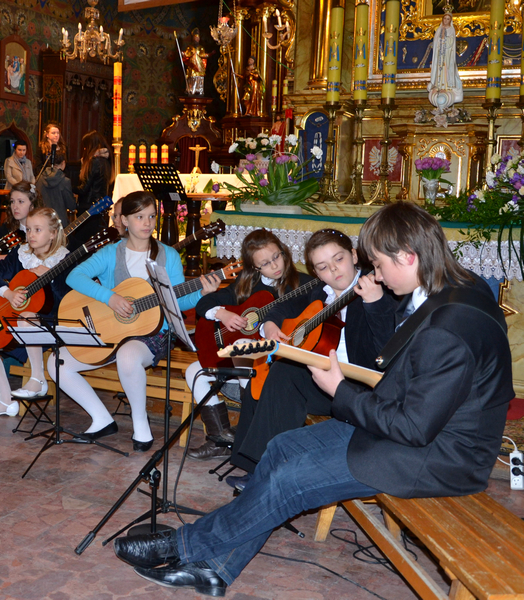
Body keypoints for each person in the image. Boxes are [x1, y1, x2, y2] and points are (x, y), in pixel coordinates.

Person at [113, 202, 513, 597]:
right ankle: (217, 568)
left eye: (378, 264)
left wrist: (339, 391)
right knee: (282, 447)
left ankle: (184, 546)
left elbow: (413, 427)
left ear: (407, 257)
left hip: (436, 456)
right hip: (403, 426)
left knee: (290, 481)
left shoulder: (452, 324)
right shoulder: (449, 286)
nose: (376, 274)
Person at [47, 191, 221, 451]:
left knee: (128, 355)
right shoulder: (110, 253)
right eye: (139, 216)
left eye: (151, 216)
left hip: (153, 334)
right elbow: (74, 276)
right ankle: (102, 419)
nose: (147, 222)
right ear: (125, 220)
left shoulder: (168, 255)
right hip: (110, 330)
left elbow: (177, 301)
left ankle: (141, 425)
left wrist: (200, 293)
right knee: (57, 362)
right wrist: (109, 298)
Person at [225, 228, 396, 491]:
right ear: (316, 273)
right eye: (323, 267)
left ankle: (263, 470)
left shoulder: (380, 291)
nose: (334, 271)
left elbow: (386, 355)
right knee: (270, 372)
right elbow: (283, 307)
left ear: (353, 255)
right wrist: (270, 324)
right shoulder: (319, 291)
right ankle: (256, 466)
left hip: (357, 388)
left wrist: (375, 304)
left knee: (285, 374)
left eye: (338, 259)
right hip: (322, 380)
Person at [184, 229, 313, 460]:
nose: (275, 265)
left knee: (244, 344)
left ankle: (249, 432)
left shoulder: (303, 283)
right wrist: (222, 314)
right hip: (246, 364)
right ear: (255, 267)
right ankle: (220, 439)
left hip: (276, 365)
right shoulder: (247, 283)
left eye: (277, 256)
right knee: (194, 371)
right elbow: (206, 302)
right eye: (265, 263)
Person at [0, 208, 71, 417]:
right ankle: (6, 401)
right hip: (18, 320)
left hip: (50, 323)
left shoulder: (64, 260)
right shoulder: (21, 255)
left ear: (53, 233)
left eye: (38, 229)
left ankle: (38, 379)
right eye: (28, 229)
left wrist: (51, 278)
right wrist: (8, 293)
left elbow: (68, 298)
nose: (31, 235)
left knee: (27, 318)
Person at [0, 181, 43, 270]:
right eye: (12, 201)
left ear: (32, 205)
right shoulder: (7, 229)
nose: (15, 206)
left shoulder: (44, 228)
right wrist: (10, 258)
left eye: (20, 201)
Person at [73, 130, 113, 247]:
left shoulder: (94, 162)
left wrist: (67, 186)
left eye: (85, 147)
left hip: (88, 207)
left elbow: (84, 189)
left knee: (81, 242)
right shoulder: (106, 161)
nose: (84, 149)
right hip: (98, 206)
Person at [428, 11, 462, 111]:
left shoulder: (451, 30)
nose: (446, 21)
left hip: (447, 55)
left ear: (450, 21)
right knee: (439, 69)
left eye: (448, 19)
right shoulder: (439, 29)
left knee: (446, 69)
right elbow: (435, 42)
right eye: (444, 18)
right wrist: (440, 41)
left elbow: (451, 42)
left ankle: (446, 86)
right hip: (440, 55)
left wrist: (445, 40)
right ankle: (438, 85)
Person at [36, 152, 76, 228]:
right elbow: (71, 205)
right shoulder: (65, 181)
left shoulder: (39, 179)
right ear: (63, 163)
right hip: (59, 222)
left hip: (42, 221)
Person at [182, 28, 210, 95]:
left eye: (197, 38)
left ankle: (199, 90)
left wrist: (210, 54)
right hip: (192, 66)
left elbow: (203, 55)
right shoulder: (190, 47)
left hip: (199, 67)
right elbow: (186, 55)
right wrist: (182, 54)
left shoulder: (201, 48)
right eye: (195, 38)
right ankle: (191, 90)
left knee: (199, 78)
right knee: (192, 77)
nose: (196, 39)